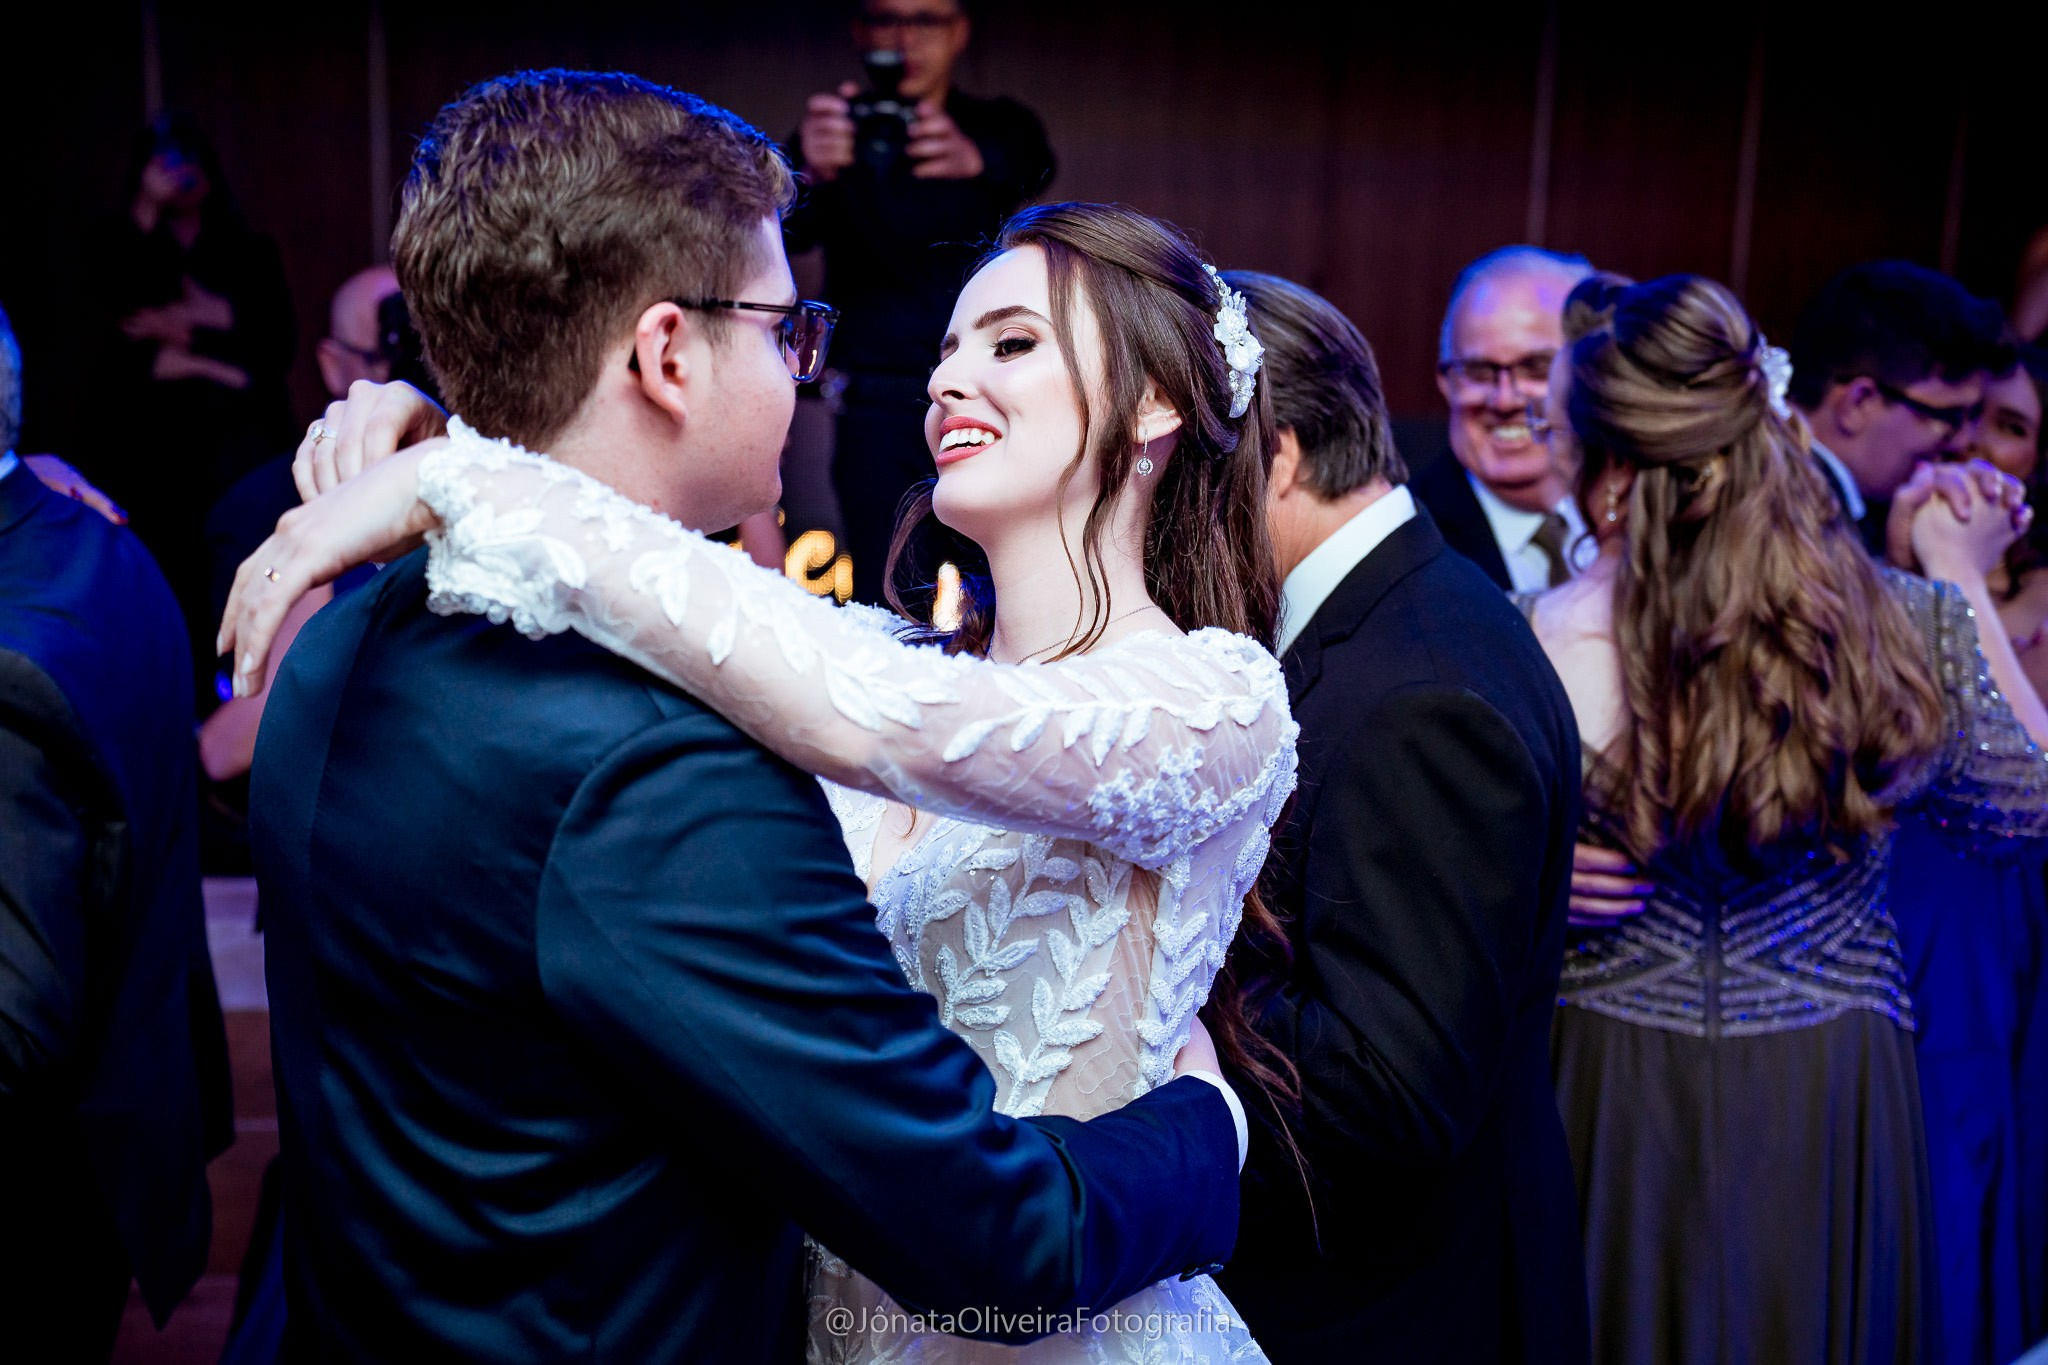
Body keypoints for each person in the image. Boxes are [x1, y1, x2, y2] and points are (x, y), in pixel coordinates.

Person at [218, 72, 1255, 1363]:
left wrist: (463, 467)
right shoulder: (667, 769)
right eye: (784, 331)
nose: (810, 372)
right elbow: (991, 1238)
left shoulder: (356, 635)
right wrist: (1212, 1135)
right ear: (666, 354)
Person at [1521, 272, 2048, 1365]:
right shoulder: (1898, 618)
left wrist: (1532, 879)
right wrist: (1954, 574)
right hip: (1827, 1085)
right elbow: (2021, 807)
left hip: (1613, 1076)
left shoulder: (1537, 632)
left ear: (1605, 465)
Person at [1201, 272, 1587, 1363]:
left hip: (1401, 1311)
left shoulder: (1419, 685)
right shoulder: (1392, 617)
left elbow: (1391, 1093)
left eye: (1178, 476)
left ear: (1269, 454)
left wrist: (1152, 969)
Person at [0, 301, 232, 1359]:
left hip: (37, 1201)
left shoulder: (11, 660)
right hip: (105, 1157)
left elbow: (11, 1035)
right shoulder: (99, 541)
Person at [789, 0, 1055, 606]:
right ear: (860, 31)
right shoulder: (838, 124)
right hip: (874, 393)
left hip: (988, 386)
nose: (904, 37)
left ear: (960, 32)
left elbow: (1035, 165)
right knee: (884, 583)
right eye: (886, 19)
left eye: (926, 20)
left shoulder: (994, 125)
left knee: (1005, 575)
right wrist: (807, 173)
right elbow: (784, 231)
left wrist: (975, 160)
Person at [82, 112, 295, 705]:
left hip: (234, 442)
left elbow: (271, 347)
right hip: (156, 450)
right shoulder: (125, 245)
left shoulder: (244, 248)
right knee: (167, 569)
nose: (178, 176)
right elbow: (116, 345)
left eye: (187, 162)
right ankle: (184, 697)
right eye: (163, 164)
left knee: (237, 559)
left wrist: (200, 336)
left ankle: (243, 693)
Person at [1787, 260, 2009, 550]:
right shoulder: (1786, 511)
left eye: (1973, 416)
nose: (1965, 441)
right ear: (1859, 403)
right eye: (1950, 417)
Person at [1412, 245, 1594, 593]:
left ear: (1592, 373)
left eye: (1537, 367)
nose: (1505, 399)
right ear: (1445, 383)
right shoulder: (1410, 543)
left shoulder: (1646, 515)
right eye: (1478, 371)